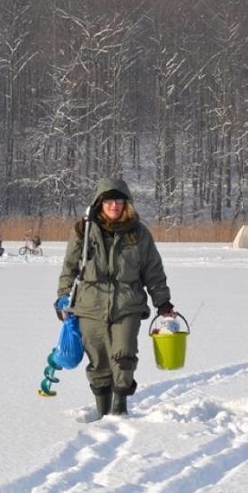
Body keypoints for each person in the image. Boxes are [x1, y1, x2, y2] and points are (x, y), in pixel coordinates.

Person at [55, 177, 175, 418]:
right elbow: (70, 266)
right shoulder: (83, 230)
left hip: (127, 304)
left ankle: (119, 409)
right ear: (100, 203)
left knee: (124, 354)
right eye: (108, 201)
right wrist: (63, 295)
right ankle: (102, 412)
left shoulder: (139, 233)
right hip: (90, 305)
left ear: (126, 203)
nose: (113, 206)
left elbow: (153, 270)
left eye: (118, 201)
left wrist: (162, 301)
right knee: (98, 359)